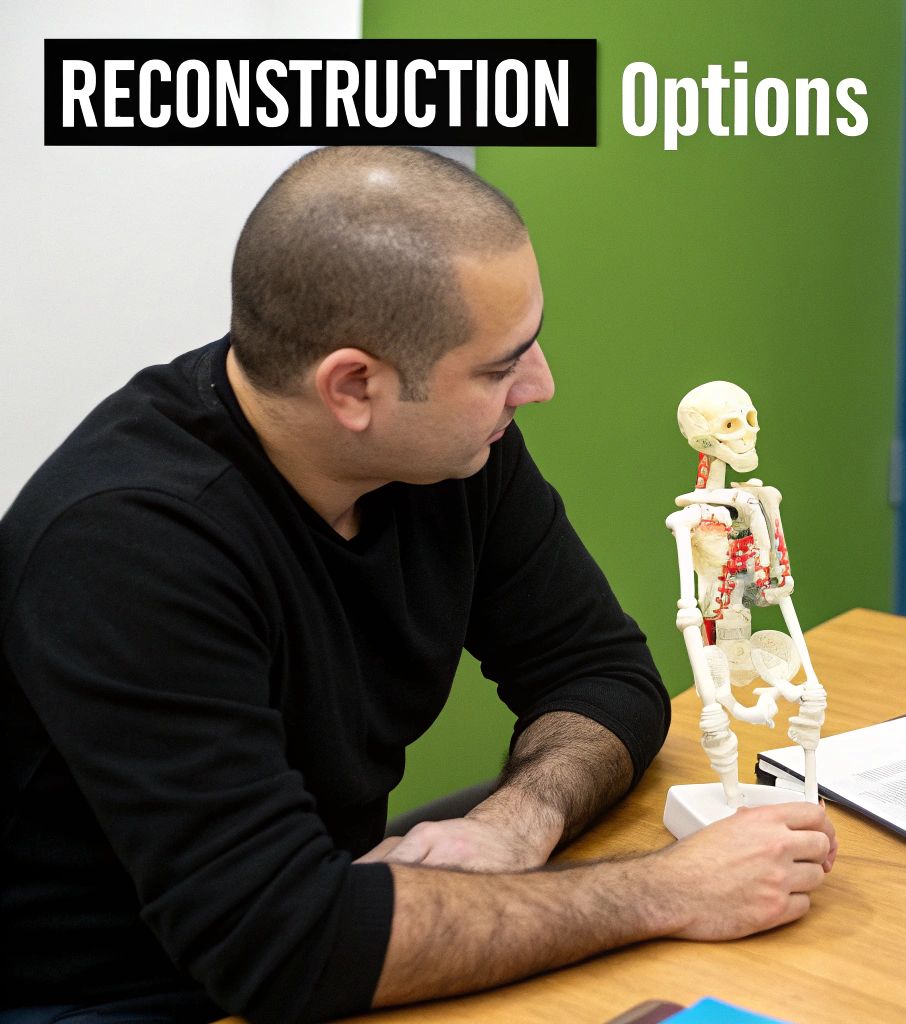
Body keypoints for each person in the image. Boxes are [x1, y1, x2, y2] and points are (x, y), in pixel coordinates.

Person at [1, 147, 837, 1024]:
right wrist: (666, 891)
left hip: (321, 926)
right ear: (353, 386)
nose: (540, 386)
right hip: (119, 997)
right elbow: (281, 943)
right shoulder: (129, 546)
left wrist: (519, 819)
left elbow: (601, 672)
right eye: (499, 368)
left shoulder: (447, 454)